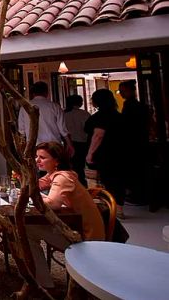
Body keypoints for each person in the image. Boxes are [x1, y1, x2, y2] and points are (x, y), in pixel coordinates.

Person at [27, 142, 104, 289]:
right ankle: (41, 279)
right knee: (27, 228)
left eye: (42, 157)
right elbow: (38, 184)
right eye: (36, 156)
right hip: (75, 227)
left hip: (85, 237)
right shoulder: (57, 174)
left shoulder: (63, 177)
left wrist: (33, 195)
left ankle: (44, 284)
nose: (37, 160)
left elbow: (53, 204)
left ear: (57, 161)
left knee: (25, 229)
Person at [85, 88, 127, 217]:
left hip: (103, 153)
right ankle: (118, 208)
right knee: (118, 179)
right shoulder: (117, 115)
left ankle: (104, 207)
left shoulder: (101, 116)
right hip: (120, 151)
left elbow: (98, 135)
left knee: (102, 180)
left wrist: (90, 153)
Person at [18, 81, 74, 155]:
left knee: (37, 165)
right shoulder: (54, 106)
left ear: (33, 93)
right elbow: (62, 129)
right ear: (47, 92)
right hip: (53, 145)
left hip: (34, 146)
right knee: (54, 166)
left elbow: (22, 131)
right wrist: (69, 144)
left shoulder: (24, 107)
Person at [118, 80, 151, 205]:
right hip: (140, 141)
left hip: (133, 143)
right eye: (120, 91)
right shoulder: (137, 105)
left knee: (136, 171)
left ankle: (138, 196)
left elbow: (126, 125)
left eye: (123, 91)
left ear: (131, 91)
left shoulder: (131, 105)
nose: (121, 93)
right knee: (138, 170)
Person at [63, 95, 91, 186]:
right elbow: (88, 130)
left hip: (69, 143)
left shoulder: (64, 114)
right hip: (82, 143)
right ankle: (82, 184)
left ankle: (72, 183)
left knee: (70, 166)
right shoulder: (85, 114)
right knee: (80, 166)